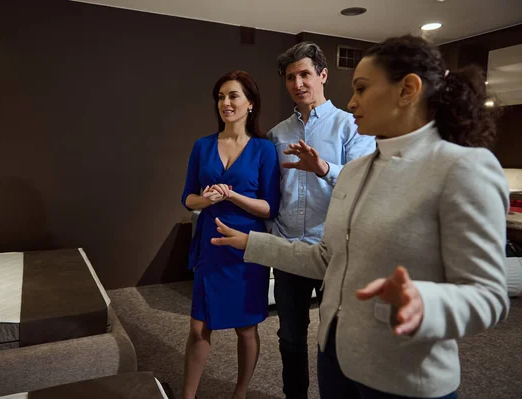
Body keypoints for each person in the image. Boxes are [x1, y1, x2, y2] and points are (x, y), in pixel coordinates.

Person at [211, 35, 510, 399]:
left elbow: (488, 296)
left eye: (362, 88)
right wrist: (252, 242)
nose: (351, 102)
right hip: (336, 360)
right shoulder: (356, 172)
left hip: (403, 375)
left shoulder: (464, 168)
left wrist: (425, 303)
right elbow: (327, 257)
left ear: (407, 90)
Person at [268, 41, 375, 398]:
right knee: (290, 338)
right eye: (290, 77)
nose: (298, 83)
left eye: (305, 74)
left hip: (335, 252)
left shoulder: (351, 126)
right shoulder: (277, 134)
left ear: (323, 75)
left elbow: (365, 182)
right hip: (289, 250)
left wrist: (324, 168)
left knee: (337, 338)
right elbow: (273, 191)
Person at [180, 70, 280, 399]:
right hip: (211, 245)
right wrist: (206, 199)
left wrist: (233, 195)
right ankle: (188, 396)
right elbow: (187, 199)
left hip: (248, 248)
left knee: (246, 328)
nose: (226, 103)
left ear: (250, 103)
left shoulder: (265, 150)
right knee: (198, 328)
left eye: (233, 96)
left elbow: (269, 207)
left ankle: (240, 394)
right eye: (221, 97)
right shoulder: (202, 146)